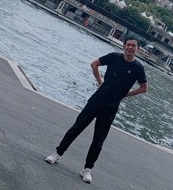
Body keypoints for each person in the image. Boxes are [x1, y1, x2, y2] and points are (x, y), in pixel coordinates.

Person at [45, 37, 148, 184]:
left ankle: (87, 169)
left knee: (99, 140)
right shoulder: (114, 57)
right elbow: (94, 64)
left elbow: (144, 88)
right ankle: (58, 153)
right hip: (97, 100)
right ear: (124, 46)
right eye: (128, 45)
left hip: (111, 107)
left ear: (137, 49)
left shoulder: (138, 68)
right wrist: (100, 82)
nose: (130, 48)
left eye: (133, 46)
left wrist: (126, 94)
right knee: (76, 128)